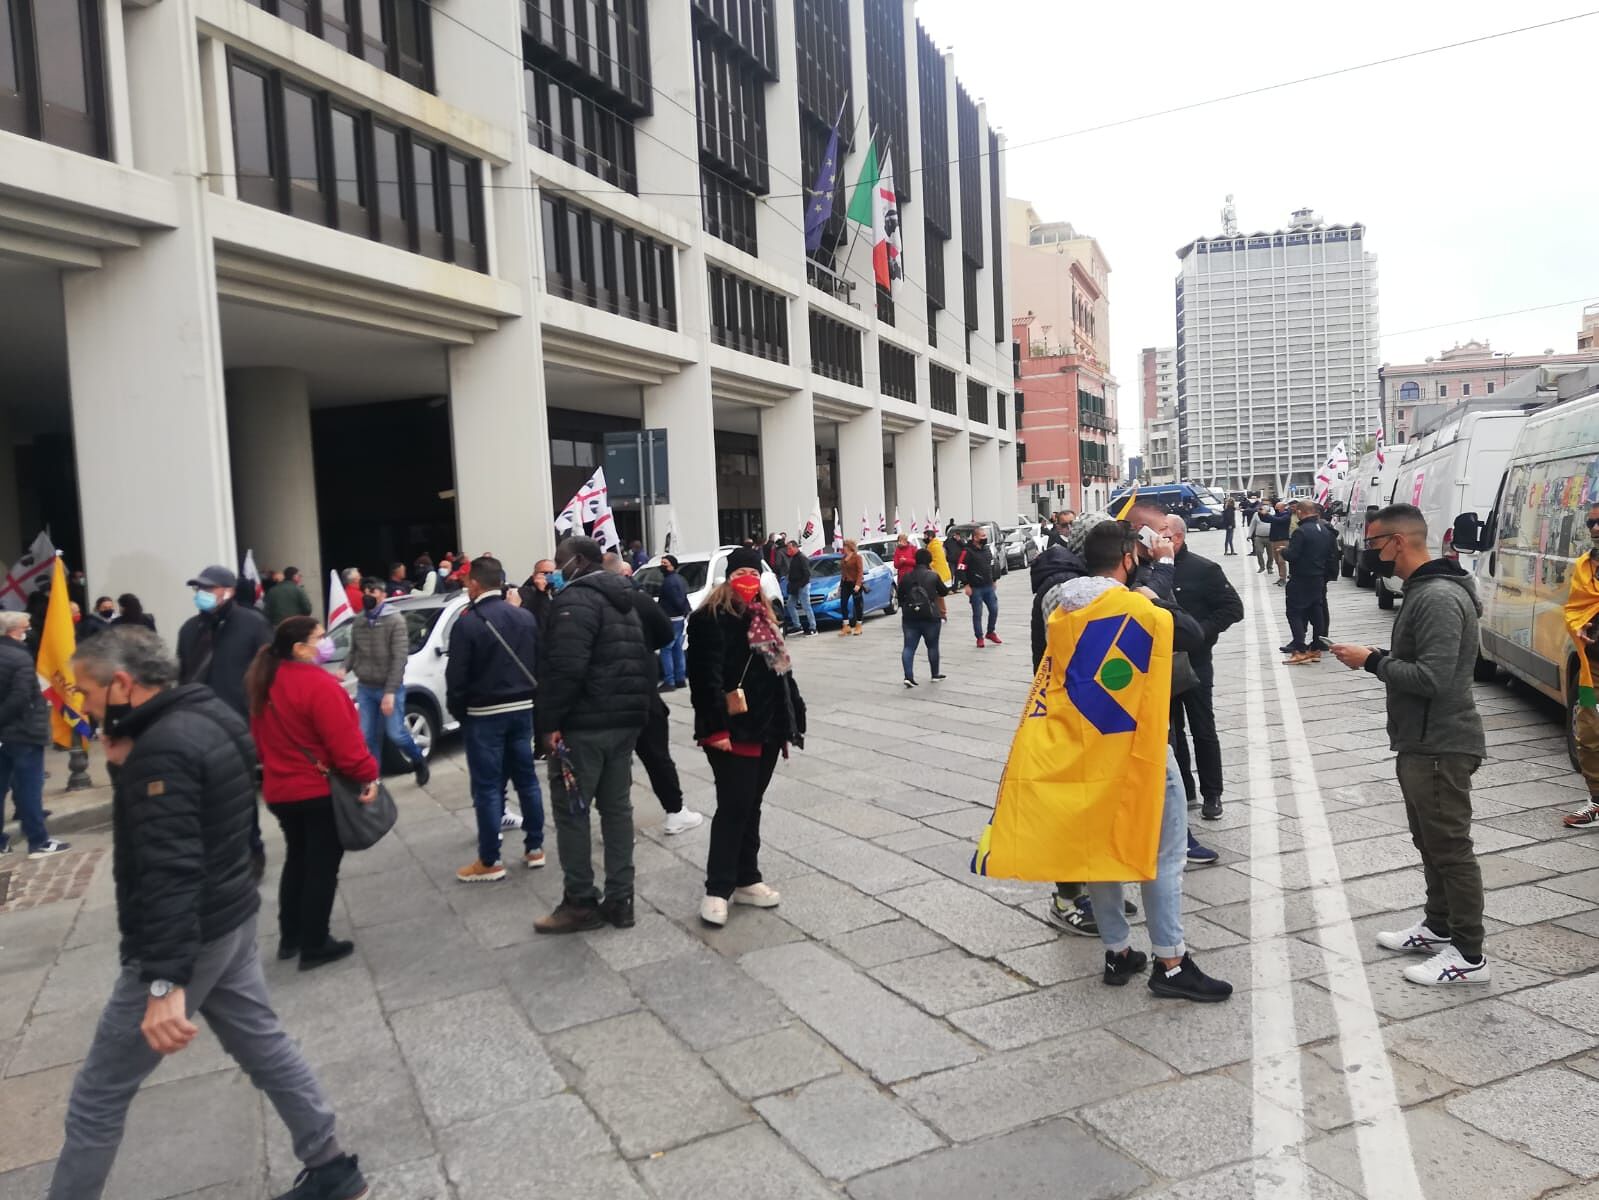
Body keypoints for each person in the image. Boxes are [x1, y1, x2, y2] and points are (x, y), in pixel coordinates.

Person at [58, 627, 368, 1200]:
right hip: (230, 914)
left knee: (98, 1094)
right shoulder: (206, 715)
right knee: (263, 1044)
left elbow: (170, 869)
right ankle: (330, 1165)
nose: (84, 703)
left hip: (192, 934)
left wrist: (162, 982)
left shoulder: (164, 751)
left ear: (123, 683)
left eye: (87, 691)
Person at [1037, 521, 1232, 1002]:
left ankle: (1118, 952)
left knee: (1101, 852)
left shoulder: (1056, 604)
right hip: (1138, 745)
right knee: (1163, 857)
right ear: (1128, 557)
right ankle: (1171, 961)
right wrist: (1157, 583)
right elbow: (1187, 632)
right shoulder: (1133, 604)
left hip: (1086, 746)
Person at [1330, 504, 1489, 986]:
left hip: (1440, 741)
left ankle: (1469, 954)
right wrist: (1380, 656)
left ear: (1399, 542)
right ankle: (1438, 926)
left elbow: (1435, 678)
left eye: (1376, 543)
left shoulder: (1437, 596)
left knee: (1450, 848)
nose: (1370, 552)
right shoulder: (1424, 591)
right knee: (1430, 841)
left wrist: (1371, 662)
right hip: (1421, 740)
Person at [534, 537, 653, 931]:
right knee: (617, 810)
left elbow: (566, 668)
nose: (555, 571)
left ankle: (580, 901)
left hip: (585, 725)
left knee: (572, 811)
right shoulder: (625, 598)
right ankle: (622, 900)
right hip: (624, 721)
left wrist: (549, 723)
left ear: (579, 562)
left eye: (559, 563)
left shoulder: (574, 602)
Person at [247, 616, 378, 970]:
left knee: (298, 859)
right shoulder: (319, 686)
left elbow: (259, 743)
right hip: (317, 789)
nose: (327, 643)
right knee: (321, 867)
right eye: (320, 638)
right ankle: (315, 942)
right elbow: (346, 746)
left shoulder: (264, 681)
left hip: (280, 789)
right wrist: (369, 776)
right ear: (299, 648)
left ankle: (290, 936)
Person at [686, 546, 805, 927]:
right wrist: (715, 727)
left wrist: (795, 714)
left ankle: (746, 878)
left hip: (768, 727)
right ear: (729, 577)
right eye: (741, 575)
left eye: (754, 574)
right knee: (734, 806)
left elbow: (781, 671)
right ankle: (717, 888)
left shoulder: (765, 613)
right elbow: (704, 678)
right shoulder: (710, 617)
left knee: (750, 804)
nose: (748, 581)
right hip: (732, 729)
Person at [446, 556, 546, 883]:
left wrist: (461, 712)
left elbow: (456, 677)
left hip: (484, 713)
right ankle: (535, 848)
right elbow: (537, 660)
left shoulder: (467, 622)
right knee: (527, 780)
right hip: (522, 708)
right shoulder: (524, 618)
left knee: (488, 787)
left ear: (475, 583)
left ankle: (490, 859)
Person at [178, 565, 272, 880]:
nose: (200, 595)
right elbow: (183, 676)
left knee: (240, 793)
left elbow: (269, 673)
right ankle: (218, 856)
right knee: (207, 797)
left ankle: (251, 851)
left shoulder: (252, 624)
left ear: (228, 591)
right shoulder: (190, 630)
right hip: (198, 725)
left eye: (207, 588)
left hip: (240, 723)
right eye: (197, 589)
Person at [604, 555, 704, 836]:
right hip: (642, 691)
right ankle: (675, 811)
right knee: (657, 756)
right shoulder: (639, 599)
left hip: (607, 697)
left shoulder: (587, 604)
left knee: (615, 762)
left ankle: (615, 822)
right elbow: (663, 634)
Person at [1164, 515, 1242, 819]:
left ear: (1179, 537)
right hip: (1162, 663)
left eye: (1164, 535)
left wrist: (1200, 631)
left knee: (1203, 729)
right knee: (1171, 733)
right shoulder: (1149, 571)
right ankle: (1185, 789)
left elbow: (1233, 608)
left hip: (1195, 662)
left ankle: (1213, 794)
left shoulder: (1204, 568)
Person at [345, 577, 429, 786]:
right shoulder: (360, 620)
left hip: (389, 687)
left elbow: (399, 658)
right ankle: (374, 779)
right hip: (366, 686)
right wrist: (343, 669)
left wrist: (390, 692)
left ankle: (418, 760)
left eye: (373, 591)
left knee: (397, 734)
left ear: (383, 595)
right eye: (366, 591)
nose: (368, 595)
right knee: (367, 736)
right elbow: (354, 651)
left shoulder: (395, 620)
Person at [0, 611, 69, 858]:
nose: (29, 631)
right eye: (27, 627)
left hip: (6, 735)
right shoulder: (19, 657)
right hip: (23, 732)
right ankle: (38, 841)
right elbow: (20, 696)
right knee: (29, 788)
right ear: (16, 630)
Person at [1560, 503, 1599, 827]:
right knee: (1587, 734)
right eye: (1591, 522)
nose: (1596, 528)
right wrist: (1581, 625)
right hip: (1592, 671)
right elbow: (1575, 608)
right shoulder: (1586, 565)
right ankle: (1597, 801)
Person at [1282, 501, 1340, 665]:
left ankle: (1300, 650)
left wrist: (1283, 551)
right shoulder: (1326, 530)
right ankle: (1316, 648)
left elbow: (1293, 555)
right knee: (1317, 612)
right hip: (1318, 577)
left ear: (1301, 512)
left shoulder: (1301, 532)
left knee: (1294, 612)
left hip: (1301, 578)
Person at [898, 548, 948, 688]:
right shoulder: (933, 575)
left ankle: (908, 676)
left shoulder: (906, 577)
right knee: (932, 645)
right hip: (930, 616)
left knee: (908, 647)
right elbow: (944, 591)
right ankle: (935, 674)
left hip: (910, 617)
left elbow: (899, 596)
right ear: (929, 561)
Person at [957, 527, 1001, 648]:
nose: (984, 538)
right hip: (975, 588)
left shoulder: (987, 549)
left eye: (985, 536)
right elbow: (960, 568)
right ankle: (979, 637)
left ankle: (990, 632)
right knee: (978, 613)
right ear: (975, 538)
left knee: (994, 610)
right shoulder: (967, 551)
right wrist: (966, 584)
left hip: (988, 586)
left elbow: (992, 564)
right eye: (982, 536)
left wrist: (994, 579)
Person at [656, 554, 691, 690]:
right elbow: (684, 599)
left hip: (671, 619)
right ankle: (680, 679)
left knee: (666, 649)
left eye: (665, 563)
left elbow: (677, 600)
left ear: (672, 565)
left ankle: (669, 681)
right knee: (677, 649)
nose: (662, 565)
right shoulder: (680, 579)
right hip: (679, 619)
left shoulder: (669, 582)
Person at [783, 541, 816, 636]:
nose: (788, 550)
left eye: (789, 548)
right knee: (790, 605)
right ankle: (797, 626)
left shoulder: (802, 558)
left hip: (802, 585)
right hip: (794, 586)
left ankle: (813, 627)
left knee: (806, 606)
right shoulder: (794, 558)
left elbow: (807, 573)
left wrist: (801, 584)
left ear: (795, 547)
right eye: (787, 548)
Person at [517, 558, 559, 631]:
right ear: (534, 575)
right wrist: (541, 592)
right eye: (545, 573)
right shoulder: (524, 593)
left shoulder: (558, 592)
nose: (549, 576)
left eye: (552, 573)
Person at [838, 539, 866, 636]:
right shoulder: (843, 558)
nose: (843, 548)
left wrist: (858, 584)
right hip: (845, 583)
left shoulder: (857, 557)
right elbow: (843, 572)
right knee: (843, 603)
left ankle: (858, 625)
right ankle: (846, 626)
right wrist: (841, 585)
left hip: (855, 583)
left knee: (857, 604)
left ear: (850, 547)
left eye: (845, 546)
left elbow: (860, 571)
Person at [1267, 502, 1293, 585]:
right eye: (1275, 507)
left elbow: (1278, 520)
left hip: (1282, 540)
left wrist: (1267, 514)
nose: (1276, 509)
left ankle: (1283, 578)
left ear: (1282, 507)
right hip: (1274, 540)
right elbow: (1267, 519)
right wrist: (1261, 514)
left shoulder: (1286, 515)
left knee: (1281, 561)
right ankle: (1281, 576)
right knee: (1277, 560)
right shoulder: (1276, 515)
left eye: (1277, 507)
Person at [1249, 504, 1274, 573]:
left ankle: (1269, 567)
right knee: (1259, 552)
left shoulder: (1272, 513)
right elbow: (1252, 524)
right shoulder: (1256, 514)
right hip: (1259, 537)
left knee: (1271, 554)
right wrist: (1249, 535)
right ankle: (1261, 567)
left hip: (1270, 537)